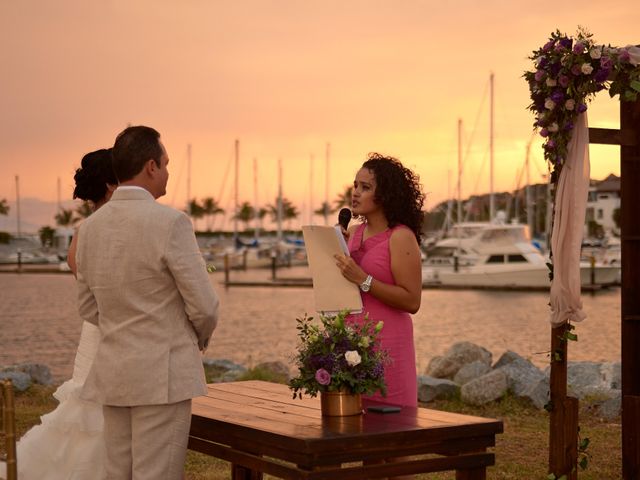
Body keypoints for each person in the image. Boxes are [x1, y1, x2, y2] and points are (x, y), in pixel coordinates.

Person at [76, 125, 219, 480]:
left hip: (114, 371)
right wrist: (194, 338)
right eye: (166, 164)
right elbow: (204, 305)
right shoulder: (170, 222)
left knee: (118, 473)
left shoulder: (90, 228)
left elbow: (88, 307)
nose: (168, 172)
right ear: (151, 166)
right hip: (162, 374)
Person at [0, 149, 116, 480]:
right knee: (95, 409)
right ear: (111, 185)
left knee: (89, 408)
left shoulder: (83, 231)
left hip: (93, 329)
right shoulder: (99, 231)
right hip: (103, 329)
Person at [334, 153, 424, 407]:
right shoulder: (351, 233)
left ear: (385, 195)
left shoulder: (401, 237)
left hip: (388, 343)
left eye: (365, 187)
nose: (355, 193)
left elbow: (412, 300)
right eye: (355, 185)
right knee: (347, 424)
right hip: (349, 338)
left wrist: (364, 280)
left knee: (389, 423)